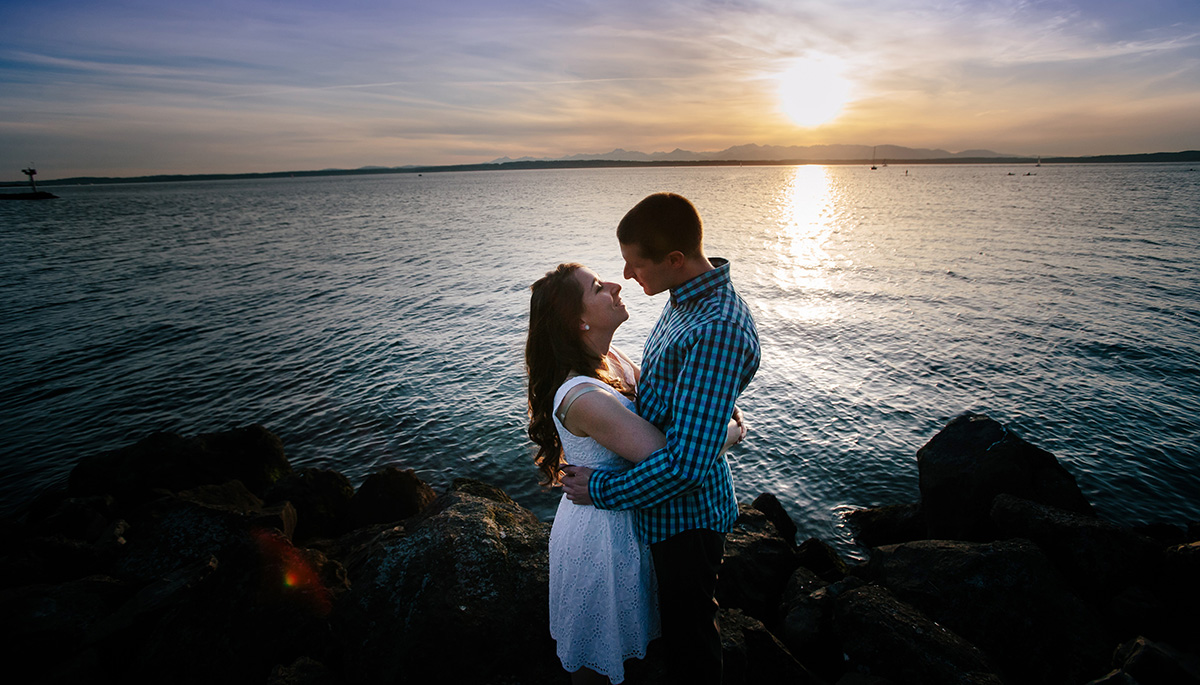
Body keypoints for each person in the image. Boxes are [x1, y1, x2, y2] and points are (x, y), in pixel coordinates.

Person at [561, 192, 761, 685]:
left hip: (686, 518)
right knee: (672, 637)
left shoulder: (716, 327)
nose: (626, 276)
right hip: (659, 510)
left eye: (634, 264)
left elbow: (688, 464)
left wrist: (601, 489)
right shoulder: (684, 299)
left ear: (674, 260)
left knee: (691, 640)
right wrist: (724, 424)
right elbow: (677, 399)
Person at [526, 262, 745, 685]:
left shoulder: (614, 360)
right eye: (596, 287)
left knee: (638, 657)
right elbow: (677, 452)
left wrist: (709, 421)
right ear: (580, 320)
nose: (614, 283)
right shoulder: (581, 396)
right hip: (600, 537)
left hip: (632, 517)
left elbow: (674, 417)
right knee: (597, 659)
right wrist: (732, 430)